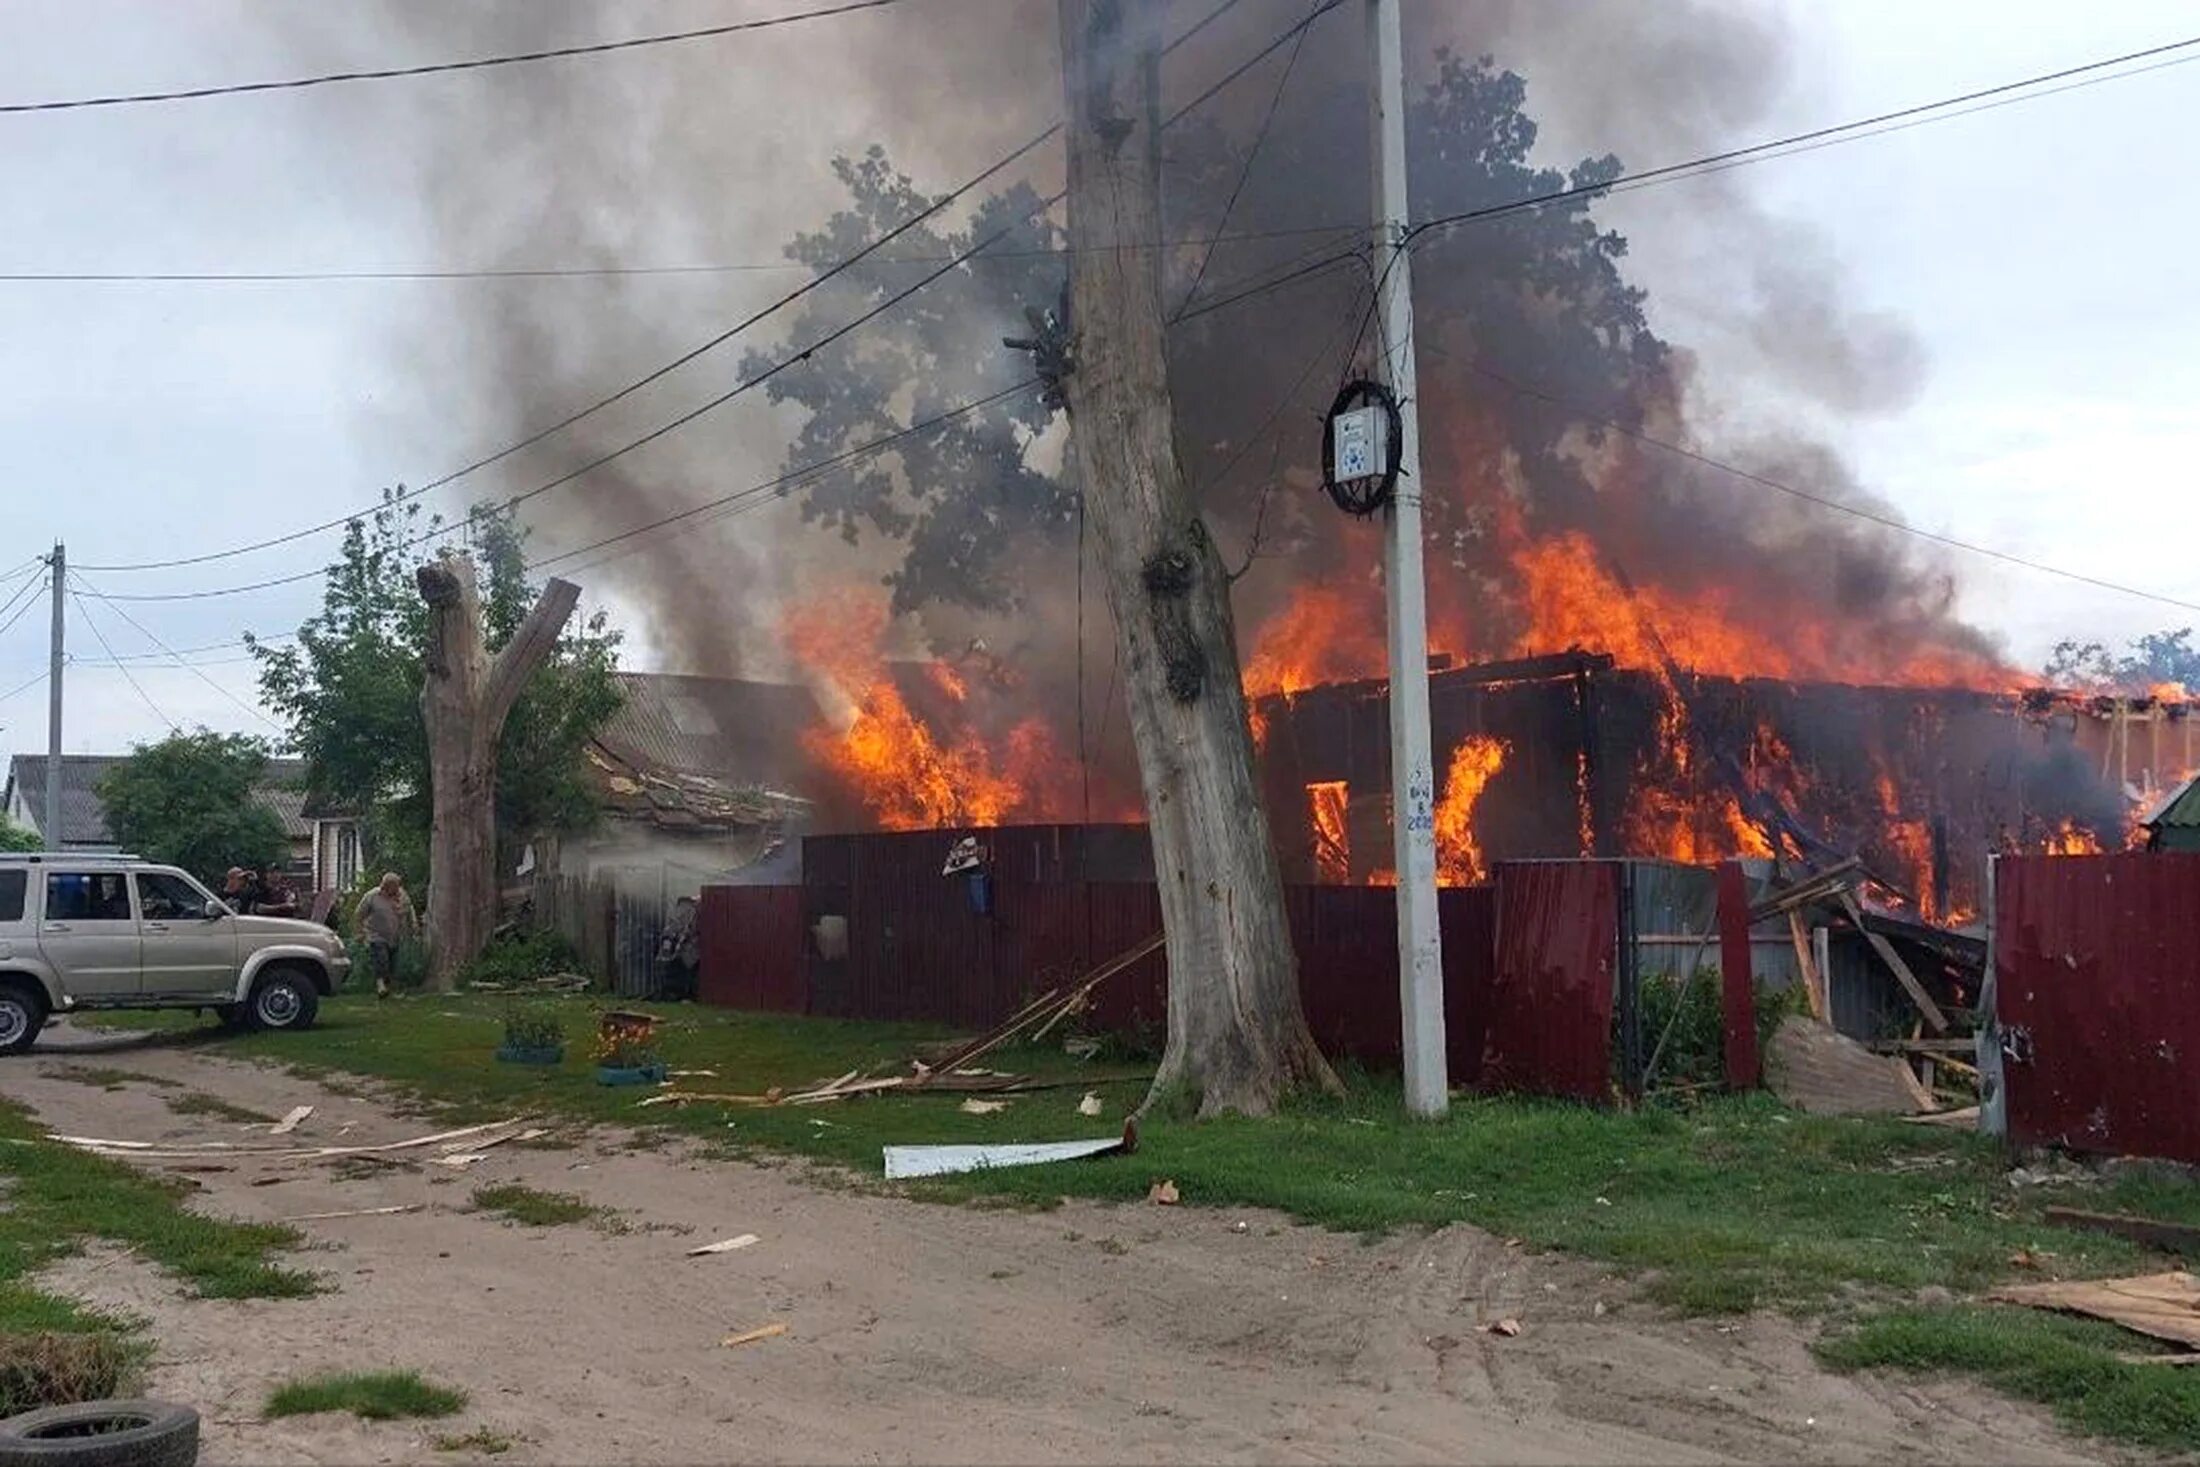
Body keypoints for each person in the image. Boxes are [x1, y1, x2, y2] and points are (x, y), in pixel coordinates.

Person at [353, 872, 418, 999]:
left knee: (392, 964)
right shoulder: (372, 896)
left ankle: (387, 989)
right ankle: (380, 984)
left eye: (396, 887)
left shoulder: (402, 896)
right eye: (389, 887)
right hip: (376, 934)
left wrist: (414, 925)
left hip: (395, 936)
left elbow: (410, 910)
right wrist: (359, 932)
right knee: (381, 959)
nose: (394, 890)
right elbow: (359, 914)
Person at [653, 896, 700, 1002]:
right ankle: (671, 995)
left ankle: (685, 995)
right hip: (677, 955)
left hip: (688, 954)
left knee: (687, 973)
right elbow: (670, 933)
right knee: (672, 973)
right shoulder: (679, 919)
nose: (685, 910)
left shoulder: (694, 916)